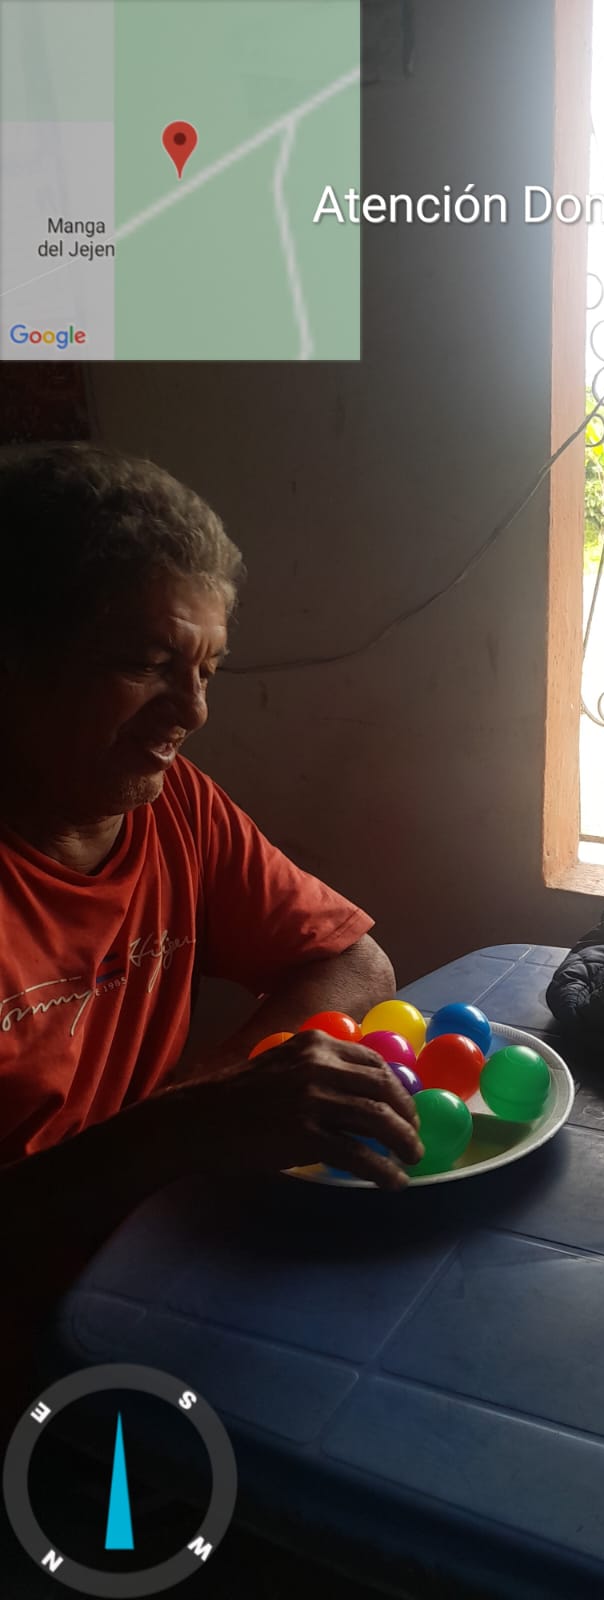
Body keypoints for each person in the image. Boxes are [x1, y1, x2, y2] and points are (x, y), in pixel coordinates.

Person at [0, 442, 423, 1411]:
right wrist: (180, 1131)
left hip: (157, 1275)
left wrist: (211, 1098)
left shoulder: (172, 806)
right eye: (146, 664)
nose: (190, 711)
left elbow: (350, 960)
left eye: (207, 669)